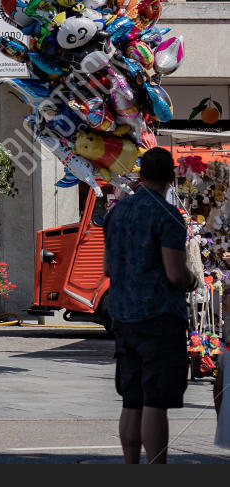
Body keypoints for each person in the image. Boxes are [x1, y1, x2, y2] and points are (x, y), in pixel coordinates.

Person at [101, 147, 195, 463]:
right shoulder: (168, 216)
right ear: (172, 176)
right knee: (156, 400)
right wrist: (193, 280)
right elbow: (175, 274)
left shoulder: (117, 212)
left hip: (123, 315)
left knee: (131, 399)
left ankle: (131, 466)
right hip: (159, 316)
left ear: (141, 176)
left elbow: (107, 269)